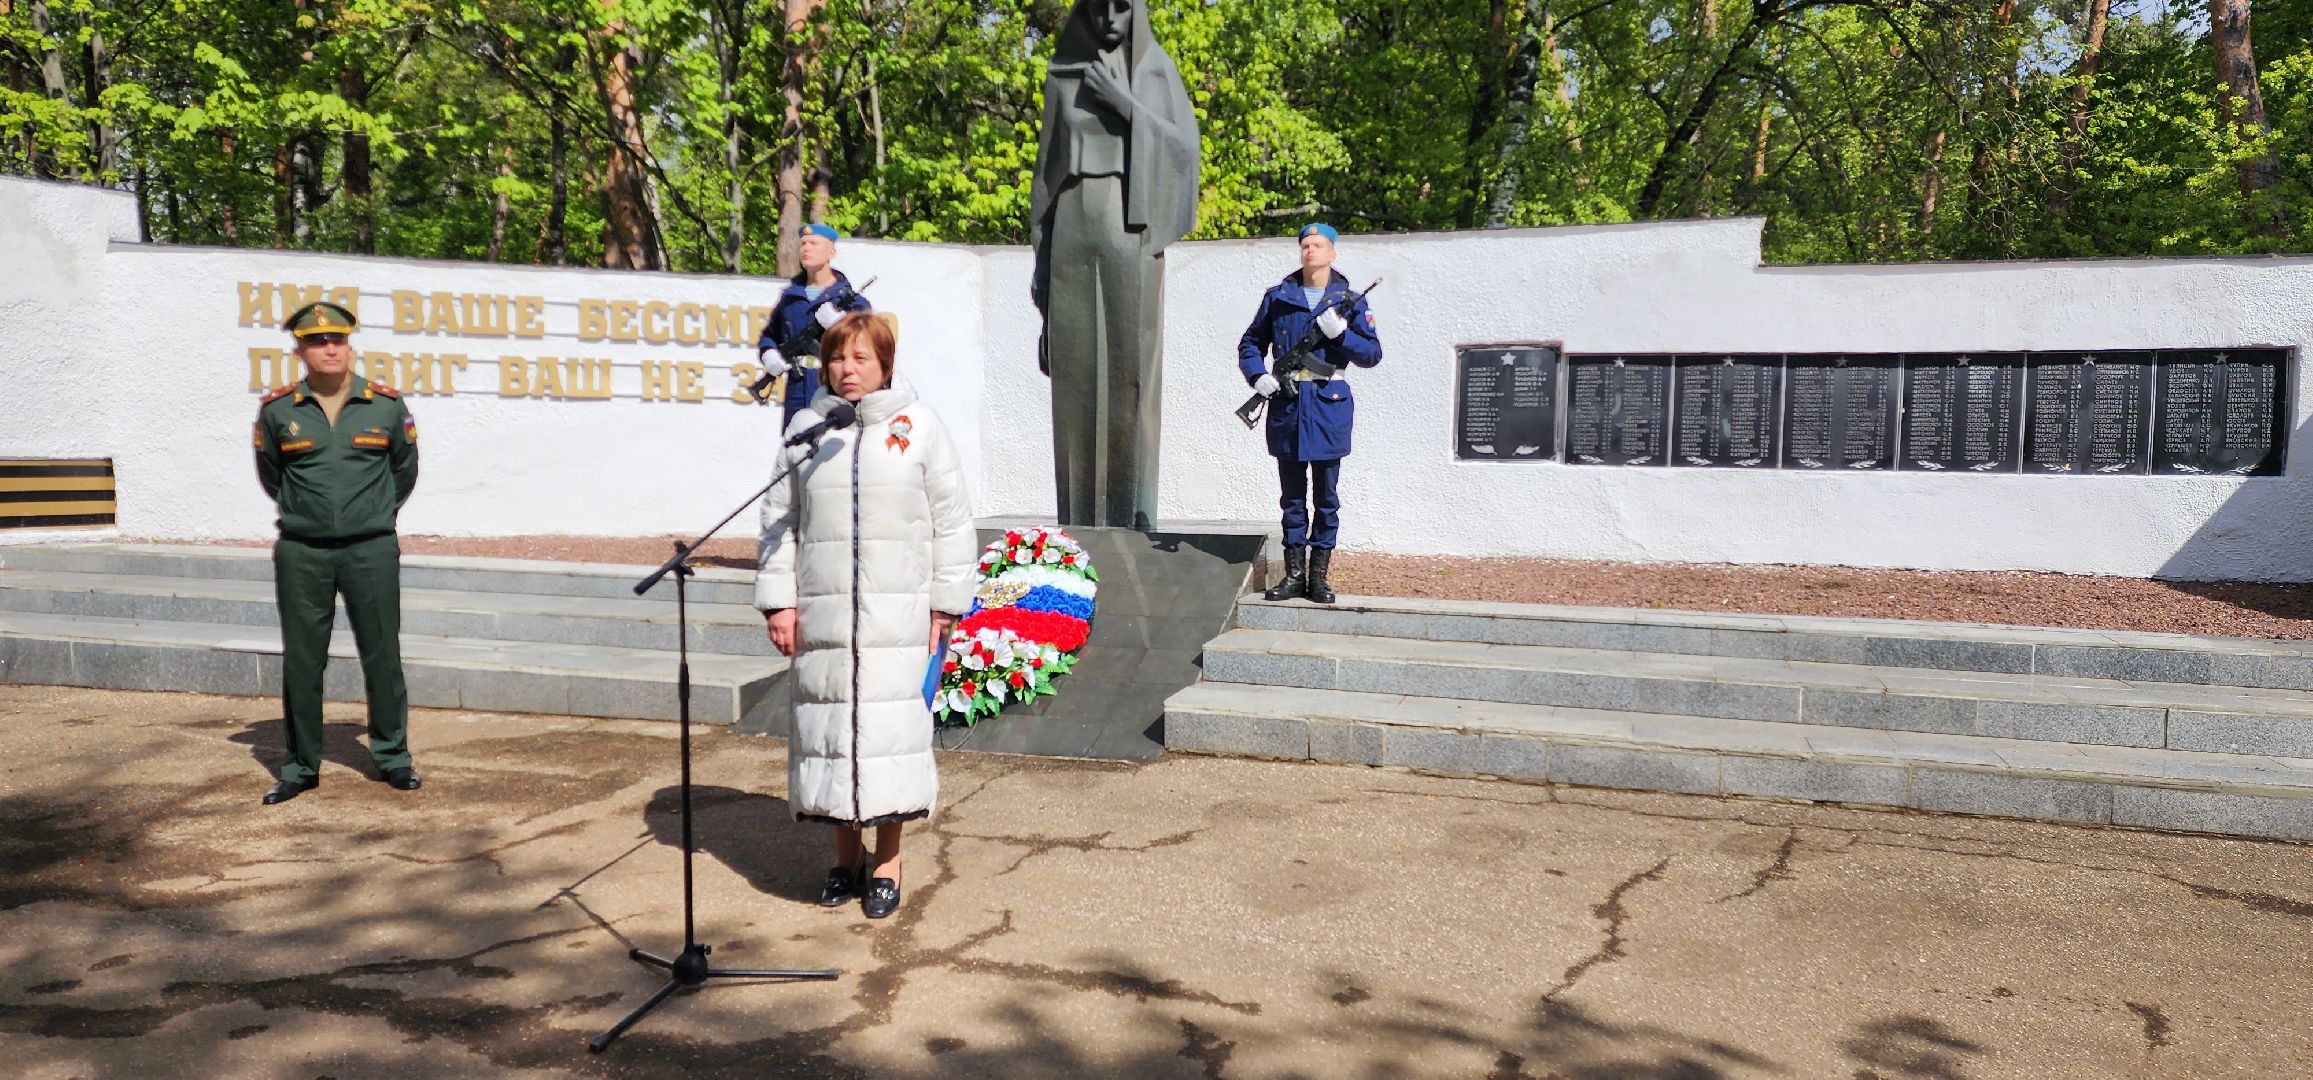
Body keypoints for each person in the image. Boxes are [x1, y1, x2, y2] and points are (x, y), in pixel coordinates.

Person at [755, 311, 976, 919]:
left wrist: (945, 603)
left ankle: (887, 862)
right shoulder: (808, 429)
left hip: (896, 616)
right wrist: (780, 602)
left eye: (860, 359)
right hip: (824, 617)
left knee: (889, 739)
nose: (847, 371)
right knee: (830, 736)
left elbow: (952, 522)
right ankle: (841, 856)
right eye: (836, 358)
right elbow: (779, 522)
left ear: (885, 364)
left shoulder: (921, 427)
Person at [1028, 0, 1200, 529]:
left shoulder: (1154, 72)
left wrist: (1124, 105)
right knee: (1076, 372)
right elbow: (1045, 177)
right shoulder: (1065, 76)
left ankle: (1132, 516)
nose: (1108, 20)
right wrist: (1041, 263)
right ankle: (1077, 519)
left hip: (1131, 226)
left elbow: (1185, 150)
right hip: (1073, 228)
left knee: (1129, 370)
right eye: (1098, 9)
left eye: (1120, 10)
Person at [252, 301, 422, 805]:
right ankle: (302, 766)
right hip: (303, 552)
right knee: (303, 661)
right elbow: (272, 475)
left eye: (338, 339)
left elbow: (404, 471)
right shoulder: (279, 410)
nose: (330, 347)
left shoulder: (386, 406)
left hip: (370, 549)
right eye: (317, 341)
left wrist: (368, 514)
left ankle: (393, 757)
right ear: (299, 350)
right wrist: (312, 513)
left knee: (383, 656)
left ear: (349, 344)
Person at [1236, 223, 1382, 605]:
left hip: (1327, 407)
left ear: (1332, 253)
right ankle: (1294, 575)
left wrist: (1341, 336)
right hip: (1286, 404)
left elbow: (1371, 355)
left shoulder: (1348, 299)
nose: (1309, 251)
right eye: (1305, 245)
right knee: (1292, 499)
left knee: (1327, 498)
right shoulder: (1279, 297)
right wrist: (1258, 377)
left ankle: (1319, 577)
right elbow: (1251, 343)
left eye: (1317, 245)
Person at [756, 223, 875, 428]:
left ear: (831, 252)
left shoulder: (853, 302)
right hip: (797, 388)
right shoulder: (790, 297)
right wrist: (768, 353)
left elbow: (868, 342)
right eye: (803, 244)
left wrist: (841, 324)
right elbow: (770, 334)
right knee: (796, 445)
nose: (806, 248)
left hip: (834, 387)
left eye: (813, 243)